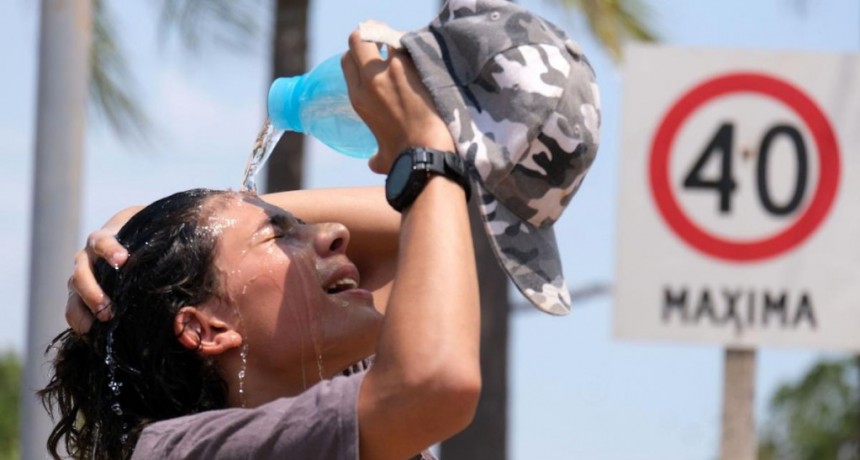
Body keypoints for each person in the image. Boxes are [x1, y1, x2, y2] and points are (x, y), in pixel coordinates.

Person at [43, 30, 480, 460]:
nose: (336, 232)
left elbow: (428, 221)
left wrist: (201, 212)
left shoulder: (328, 387)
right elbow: (434, 381)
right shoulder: (184, 451)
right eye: (278, 236)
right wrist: (426, 149)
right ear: (206, 328)